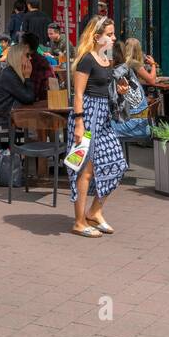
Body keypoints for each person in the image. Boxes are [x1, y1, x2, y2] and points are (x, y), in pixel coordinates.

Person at [68, 17, 128, 238]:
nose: (114, 38)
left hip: (103, 116)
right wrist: (79, 123)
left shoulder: (107, 58)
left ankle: (94, 211)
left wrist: (119, 90)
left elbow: (106, 87)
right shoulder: (86, 60)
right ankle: (79, 221)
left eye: (113, 34)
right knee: (85, 169)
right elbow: (79, 94)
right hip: (89, 116)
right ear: (97, 37)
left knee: (118, 163)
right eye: (110, 34)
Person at [0, 43, 36, 135]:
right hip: (1, 122)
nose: (30, 58)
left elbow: (28, 97)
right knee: (35, 129)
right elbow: (29, 98)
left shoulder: (11, 73)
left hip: (4, 119)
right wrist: (28, 77)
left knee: (35, 127)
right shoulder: (9, 75)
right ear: (18, 57)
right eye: (27, 55)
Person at [20, 32, 53, 100]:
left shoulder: (35, 62)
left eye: (20, 45)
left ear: (26, 46)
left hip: (40, 103)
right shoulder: (40, 59)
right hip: (42, 100)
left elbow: (33, 93)